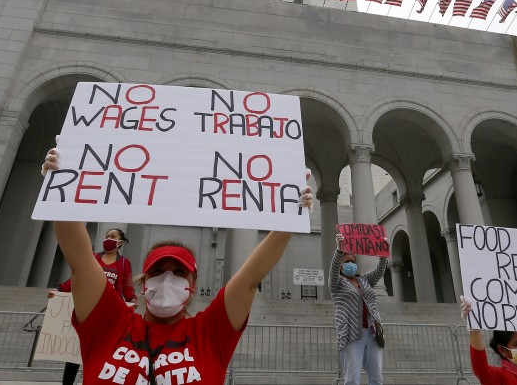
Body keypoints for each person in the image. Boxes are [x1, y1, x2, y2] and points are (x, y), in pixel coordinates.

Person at [41, 146, 313, 385]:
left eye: (179, 272)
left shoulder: (209, 333)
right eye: (158, 271)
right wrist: (60, 185)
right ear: (143, 282)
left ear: (193, 286)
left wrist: (292, 214)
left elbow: (249, 279)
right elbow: (80, 260)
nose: (167, 278)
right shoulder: (110, 322)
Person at [48, 228, 138, 385]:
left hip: (109, 314)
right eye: (107, 236)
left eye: (113, 237)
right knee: (74, 354)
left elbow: (127, 285)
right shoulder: (93, 259)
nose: (108, 238)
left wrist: (132, 299)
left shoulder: (124, 263)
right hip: (87, 310)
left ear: (120, 242)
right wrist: (59, 289)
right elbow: (77, 278)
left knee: (102, 353)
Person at [329, 232, 389, 385]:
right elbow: (333, 270)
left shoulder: (364, 280)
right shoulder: (337, 283)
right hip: (351, 334)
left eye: (353, 261)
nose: (351, 264)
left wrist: (384, 253)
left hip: (372, 332)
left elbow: (379, 272)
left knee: (377, 378)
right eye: (347, 261)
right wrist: (339, 250)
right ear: (341, 266)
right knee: (352, 379)